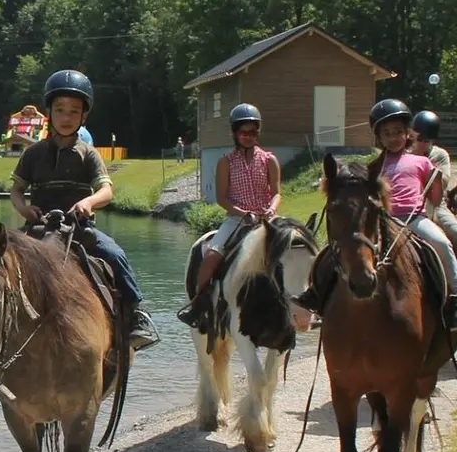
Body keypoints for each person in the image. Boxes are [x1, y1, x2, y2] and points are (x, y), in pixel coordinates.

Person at [10, 69, 160, 349]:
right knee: (3, 258)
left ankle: (137, 313)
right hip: (39, 226)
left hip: (79, 227)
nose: (66, 117)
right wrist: (24, 209)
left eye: (73, 111)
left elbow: (106, 190)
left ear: (83, 117)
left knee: (114, 252)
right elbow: (16, 191)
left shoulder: (89, 154)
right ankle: (1, 323)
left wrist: (88, 202)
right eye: (60, 110)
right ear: (49, 113)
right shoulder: (32, 154)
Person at [298, 99, 457, 327]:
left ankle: (454, 296)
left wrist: (437, 182)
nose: (393, 138)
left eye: (398, 132)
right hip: (384, 219)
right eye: (387, 133)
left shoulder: (421, 161)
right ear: (379, 138)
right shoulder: (373, 166)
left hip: (414, 219)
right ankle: (314, 295)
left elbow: (434, 197)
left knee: (441, 242)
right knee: (331, 251)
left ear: (407, 134)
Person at [176, 103, 280, 329]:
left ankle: (302, 302)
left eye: (253, 132)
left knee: (294, 248)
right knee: (212, 254)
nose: (249, 137)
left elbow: (277, 192)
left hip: (266, 218)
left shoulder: (270, 160)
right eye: (244, 132)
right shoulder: (226, 162)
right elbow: (222, 198)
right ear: (235, 133)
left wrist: (271, 208)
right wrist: (243, 213)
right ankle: (199, 305)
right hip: (237, 219)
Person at [408, 110, 457, 251]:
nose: (423, 143)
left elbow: (443, 182)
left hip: (436, 205)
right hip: (409, 204)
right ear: (413, 135)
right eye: (420, 139)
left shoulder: (440, 155)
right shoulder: (405, 154)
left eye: (427, 140)